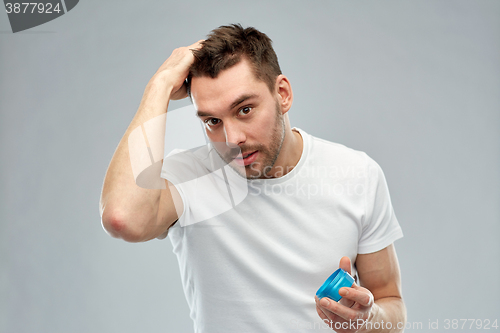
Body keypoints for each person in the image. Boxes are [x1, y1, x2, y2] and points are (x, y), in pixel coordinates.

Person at [99, 24, 406, 332]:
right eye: (212, 121)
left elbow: (390, 301)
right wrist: (160, 85)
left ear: (282, 94)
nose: (231, 138)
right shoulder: (189, 176)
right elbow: (122, 217)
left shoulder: (356, 173)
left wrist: (366, 321)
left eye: (245, 109)